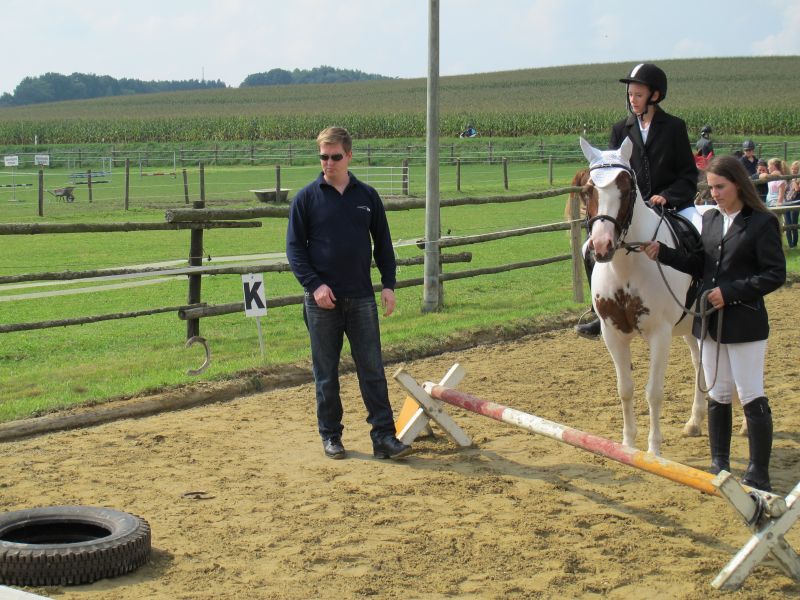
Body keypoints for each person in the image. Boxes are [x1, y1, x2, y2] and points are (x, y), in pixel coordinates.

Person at [642, 155, 786, 491]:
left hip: (745, 322)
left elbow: (774, 274)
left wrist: (731, 293)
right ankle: (719, 462)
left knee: (750, 394)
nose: (714, 194)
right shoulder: (710, 220)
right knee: (717, 393)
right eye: (710, 188)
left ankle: (758, 471)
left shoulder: (762, 222)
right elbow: (700, 265)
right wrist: (663, 253)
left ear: (738, 184)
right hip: (709, 321)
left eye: (720, 187)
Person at [286, 126, 412, 461]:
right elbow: (295, 250)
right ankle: (331, 436)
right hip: (322, 303)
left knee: (372, 370)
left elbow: (383, 244)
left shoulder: (367, 197)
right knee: (326, 374)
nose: (328, 163)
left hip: (361, 298)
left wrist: (388, 284)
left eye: (335, 156)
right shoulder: (306, 198)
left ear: (349, 155)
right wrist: (314, 286)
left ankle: (383, 437)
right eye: (323, 157)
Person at [575, 62, 699, 339]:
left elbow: (688, 174)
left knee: (700, 231)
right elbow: (612, 174)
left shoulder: (674, 127)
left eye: (638, 94)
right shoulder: (621, 129)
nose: (633, 99)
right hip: (631, 210)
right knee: (588, 248)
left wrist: (667, 196)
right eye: (630, 94)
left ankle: (701, 296)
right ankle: (597, 312)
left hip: (673, 205)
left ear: (655, 95)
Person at [784, 160, 800, 248]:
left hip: (795, 202)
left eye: (796, 169)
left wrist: (794, 180)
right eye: (792, 168)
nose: (793, 170)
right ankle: (790, 245)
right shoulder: (788, 178)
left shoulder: (797, 179)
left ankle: (794, 244)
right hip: (786, 202)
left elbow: (797, 189)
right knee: (787, 223)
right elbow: (784, 189)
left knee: (794, 223)